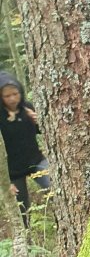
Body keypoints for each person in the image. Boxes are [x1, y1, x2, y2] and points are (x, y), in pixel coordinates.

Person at [0, 73, 51, 226]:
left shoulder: (27, 108)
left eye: (15, 94)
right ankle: (27, 243)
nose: (12, 99)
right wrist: (5, 182)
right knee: (22, 210)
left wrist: (39, 121)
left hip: (35, 161)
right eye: (6, 96)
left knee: (55, 187)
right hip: (12, 172)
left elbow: (43, 131)